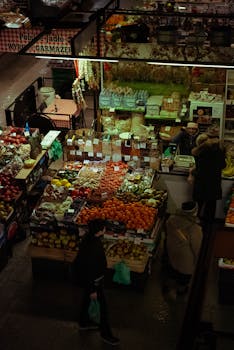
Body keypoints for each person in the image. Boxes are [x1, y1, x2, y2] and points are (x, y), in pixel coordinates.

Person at [73, 219, 119, 346]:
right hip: (94, 281)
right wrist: (93, 289)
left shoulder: (89, 239)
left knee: (86, 300)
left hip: (88, 279)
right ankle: (106, 334)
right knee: (103, 307)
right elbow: (89, 269)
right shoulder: (93, 247)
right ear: (99, 231)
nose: (105, 229)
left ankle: (83, 322)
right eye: (104, 228)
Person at [162, 201, 203, 300]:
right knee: (183, 276)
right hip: (185, 257)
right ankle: (180, 290)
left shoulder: (171, 219)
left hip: (171, 250)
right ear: (194, 212)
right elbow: (196, 247)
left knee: (172, 269)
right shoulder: (195, 228)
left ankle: (169, 286)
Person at [189, 128, 226, 233]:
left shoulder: (200, 151)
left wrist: (192, 172)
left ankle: (194, 226)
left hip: (201, 183)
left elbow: (200, 169)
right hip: (214, 183)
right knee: (210, 208)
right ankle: (208, 230)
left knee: (198, 206)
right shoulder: (219, 150)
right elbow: (223, 165)